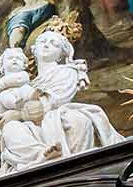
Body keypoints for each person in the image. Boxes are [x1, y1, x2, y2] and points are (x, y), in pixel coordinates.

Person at [30, 30, 125, 160]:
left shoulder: (67, 72)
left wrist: (28, 108)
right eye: (42, 42)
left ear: (60, 55)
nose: (46, 45)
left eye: (54, 44)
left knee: (77, 120)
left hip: (55, 115)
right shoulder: (29, 83)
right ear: (34, 50)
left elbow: (56, 99)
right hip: (35, 122)